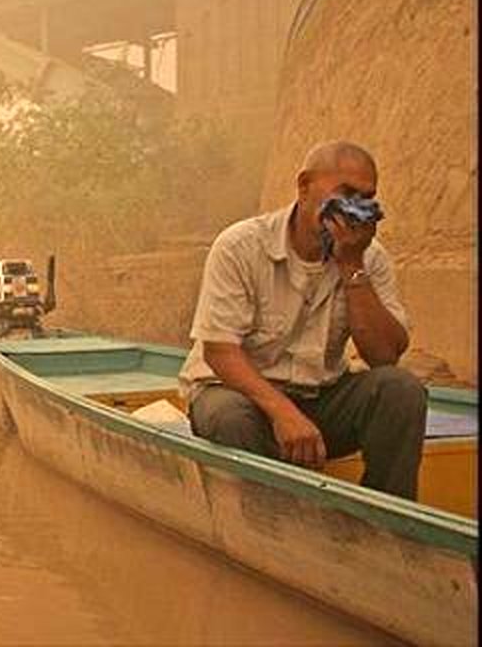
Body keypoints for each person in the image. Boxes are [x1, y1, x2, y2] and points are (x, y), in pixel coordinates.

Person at [179, 140, 426, 499]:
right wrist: (283, 413)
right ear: (305, 186)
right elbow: (220, 351)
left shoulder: (369, 258)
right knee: (229, 417)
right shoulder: (240, 246)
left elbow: (384, 356)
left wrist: (352, 265)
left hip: (320, 399)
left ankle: (387, 527)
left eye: (365, 197)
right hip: (241, 398)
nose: (353, 207)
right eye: (345, 193)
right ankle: (267, 528)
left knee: (401, 391)